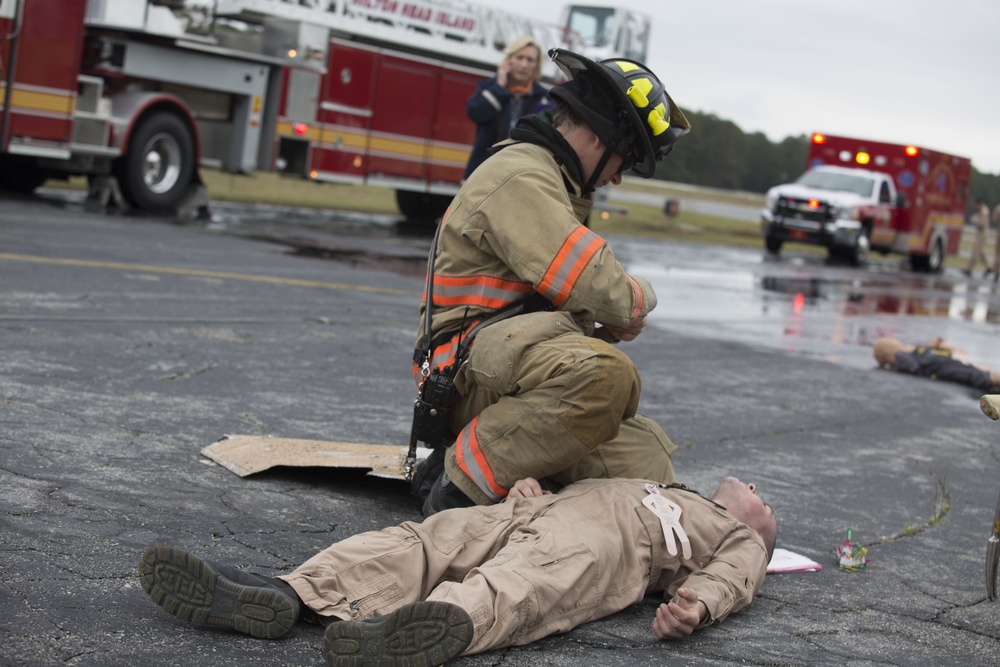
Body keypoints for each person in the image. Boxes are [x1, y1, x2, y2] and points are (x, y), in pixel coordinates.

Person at [411, 48, 691, 516]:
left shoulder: (553, 182)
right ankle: (456, 485)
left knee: (650, 467)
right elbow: (598, 283)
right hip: (464, 372)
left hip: (502, 367)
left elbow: (547, 302)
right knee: (605, 376)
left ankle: (513, 481)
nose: (619, 177)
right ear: (602, 136)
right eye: (627, 156)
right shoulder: (522, 175)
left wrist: (591, 326)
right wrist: (638, 301)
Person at [139, 475, 777, 667]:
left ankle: (425, 631)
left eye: (762, 495)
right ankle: (288, 595)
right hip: (532, 511)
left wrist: (697, 602)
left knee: (523, 583)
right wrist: (536, 489)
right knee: (416, 544)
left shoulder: (733, 531)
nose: (753, 486)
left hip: (607, 543)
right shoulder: (658, 476)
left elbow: (739, 572)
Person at [463, 36, 553, 179]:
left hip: (520, 177)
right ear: (508, 60)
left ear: (536, 66)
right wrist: (499, 88)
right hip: (482, 174)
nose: (524, 65)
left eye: (530, 60)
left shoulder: (544, 99)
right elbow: (476, 113)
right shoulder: (488, 87)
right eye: (519, 57)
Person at [873, 336, 1000, 392]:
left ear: (887, 356)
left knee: (980, 378)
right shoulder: (913, 348)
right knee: (983, 374)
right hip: (950, 361)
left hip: (944, 368)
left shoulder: (900, 355)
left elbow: (911, 367)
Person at [962, 197, 993, 277]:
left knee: (975, 251)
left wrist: (974, 220)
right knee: (981, 252)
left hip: (981, 233)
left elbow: (981, 223)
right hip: (981, 233)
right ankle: (988, 266)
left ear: (979, 204)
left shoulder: (984, 211)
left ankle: (968, 268)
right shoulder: (984, 210)